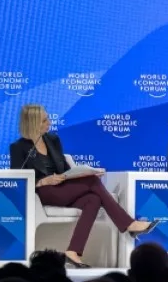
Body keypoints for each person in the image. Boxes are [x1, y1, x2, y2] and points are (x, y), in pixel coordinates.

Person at [11, 103, 157, 267]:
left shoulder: (53, 140)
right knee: (93, 182)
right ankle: (129, 224)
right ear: (33, 122)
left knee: (93, 199)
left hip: (63, 188)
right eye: (45, 120)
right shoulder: (18, 148)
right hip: (44, 193)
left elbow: (65, 170)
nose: (49, 123)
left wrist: (81, 173)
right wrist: (44, 181)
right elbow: (18, 180)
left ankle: (73, 251)